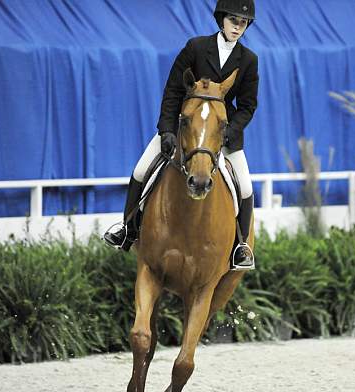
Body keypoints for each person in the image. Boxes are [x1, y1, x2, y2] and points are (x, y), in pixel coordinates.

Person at [104, 0, 258, 270]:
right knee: (141, 170)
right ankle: (127, 229)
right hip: (185, 129)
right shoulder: (196, 47)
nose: (237, 26)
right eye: (233, 20)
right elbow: (173, 91)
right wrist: (166, 130)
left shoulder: (248, 60)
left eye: (243, 22)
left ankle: (240, 247)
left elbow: (247, 106)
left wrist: (231, 132)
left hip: (222, 133)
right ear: (221, 19)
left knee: (245, 187)